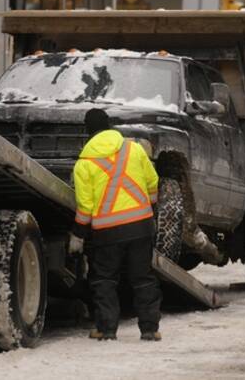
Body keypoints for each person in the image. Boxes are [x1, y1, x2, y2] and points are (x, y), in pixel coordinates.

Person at [69, 108, 162, 341]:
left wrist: (78, 235)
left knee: (104, 280)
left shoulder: (84, 164)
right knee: (143, 278)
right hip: (141, 226)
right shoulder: (135, 149)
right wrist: (151, 210)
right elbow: (153, 181)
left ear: (87, 131)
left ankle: (106, 329)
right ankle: (150, 329)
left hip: (107, 233)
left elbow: (85, 208)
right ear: (110, 125)